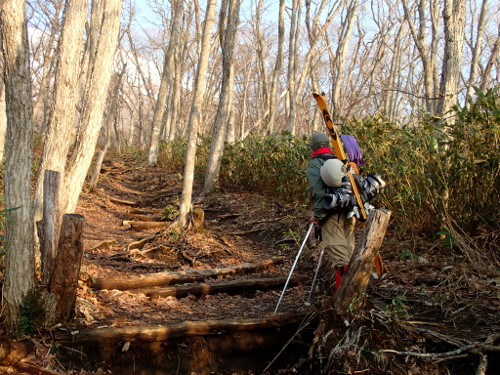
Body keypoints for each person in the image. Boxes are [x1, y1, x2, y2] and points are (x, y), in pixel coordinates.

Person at [306, 132, 385, 290]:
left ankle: (345, 298)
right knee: (348, 252)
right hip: (350, 211)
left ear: (313, 147)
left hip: (331, 213)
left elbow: (318, 191)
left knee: (340, 255)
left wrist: (318, 215)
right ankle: (352, 294)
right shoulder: (340, 160)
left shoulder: (315, 163)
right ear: (327, 145)